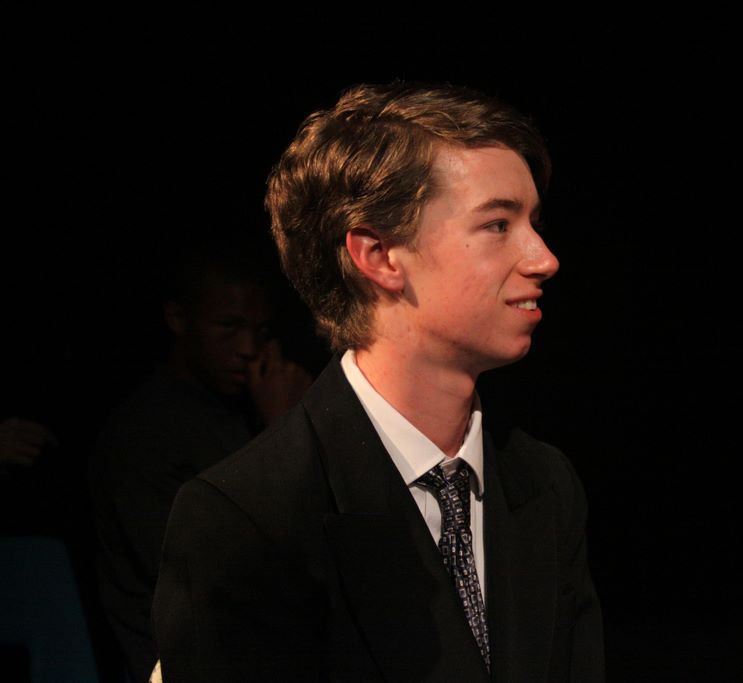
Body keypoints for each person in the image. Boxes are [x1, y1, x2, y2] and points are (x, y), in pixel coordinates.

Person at [152, 82, 604, 682]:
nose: (543, 258)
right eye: (498, 224)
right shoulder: (250, 517)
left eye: (533, 222)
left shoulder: (544, 483)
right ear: (380, 255)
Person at [91, 237, 312, 683]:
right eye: (228, 326)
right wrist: (283, 432)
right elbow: (209, 581)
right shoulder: (144, 432)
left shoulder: (248, 406)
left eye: (261, 331)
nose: (248, 347)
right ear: (178, 319)